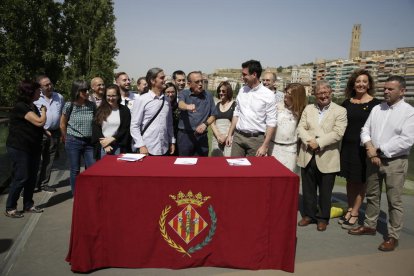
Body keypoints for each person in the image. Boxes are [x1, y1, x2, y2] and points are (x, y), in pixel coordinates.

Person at [349, 76, 414, 252]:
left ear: (402, 91)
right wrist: (370, 148)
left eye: (390, 89)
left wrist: (378, 150)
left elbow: (407, 140)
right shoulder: (377, 108)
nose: (385, 91)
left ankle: (393, 236)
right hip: (373, 160)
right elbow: (365, 130)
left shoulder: (409, 112)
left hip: (395, 162)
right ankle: (370, 225)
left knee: (394, 201)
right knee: (372, 195)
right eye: (385, 88)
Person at [297, 80, 347, 231]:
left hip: (327, 156)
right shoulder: (308, 108)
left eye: (326, 92)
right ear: (315, 94)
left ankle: (323, 218)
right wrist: (309, 141)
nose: (323, 95)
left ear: (330, 93)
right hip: (307, 154)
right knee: (308, 189)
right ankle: (309, 215)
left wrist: (318, 143)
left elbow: (338, 133)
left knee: (325, 191)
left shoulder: (340, 111)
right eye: (320, 93)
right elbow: (301, 127)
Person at [338, 69, 381, 230]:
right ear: (353, 84)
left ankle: (355, 212)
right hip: (347, 147)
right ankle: (350, 208)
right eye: (358, 81)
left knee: (361, 181)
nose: (361, 84)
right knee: (350, 180)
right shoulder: (347, 103)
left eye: (364, 81)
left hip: (363, 148)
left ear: (369, 84)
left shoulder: (376, 104)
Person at [5, 81, 46, 218]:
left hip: (32, 147)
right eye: (38, 90)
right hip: (19, 147)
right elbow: (39, 122)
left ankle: (28, 204)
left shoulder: (31, 105)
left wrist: (46, 132)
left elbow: (34, 126)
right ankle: (10, 207)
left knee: (32, 177)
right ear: (30, 92)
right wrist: (44, 111)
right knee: (21, 177)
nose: (40, 92)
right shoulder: (21, 107)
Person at [226, 60, 277, 157]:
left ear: (254, 74)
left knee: (253, 172)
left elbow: (271, 122)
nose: (242, 77)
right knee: (234, 170)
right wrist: (229, 134)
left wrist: (265, 145)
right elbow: (237, 113)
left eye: (244, 74)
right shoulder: (242, 90)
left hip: (256, 141)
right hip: (238, 138)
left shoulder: (268, 95)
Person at [60, 80, 96, 196]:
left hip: (89, 142)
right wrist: (66, 138)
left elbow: (96, 122)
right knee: (75, 170)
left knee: (92, 168)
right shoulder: (69, 105)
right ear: (77, 91)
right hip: (73, 141)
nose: (86, 92)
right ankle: (76, 194)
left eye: (87, 90)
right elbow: (62, 123)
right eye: (83, 90)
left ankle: (90, 192)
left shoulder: (91, 105)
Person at [131, 68, 175, 156]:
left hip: (164, 148)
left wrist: (172, 141)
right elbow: (134, 125)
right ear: (152, 81)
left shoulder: (166, 100)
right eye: (162, 78)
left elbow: (169, 123)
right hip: (147, 149)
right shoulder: (141, 100)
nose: (165, 80)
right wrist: (141, 145)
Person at [34, 75, 65, 193]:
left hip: (54, 133)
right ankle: (30, 186)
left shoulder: (59, 97)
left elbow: (63, 116)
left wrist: (63, 133)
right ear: (40, 87)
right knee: (36, 160)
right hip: (39, 133)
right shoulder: (36, 98)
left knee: (49, 159)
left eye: (50, 83)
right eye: (46, 85)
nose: (50, 86)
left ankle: (43, 184)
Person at [270, 83, 307, 173]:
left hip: (290, 150)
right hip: (273, 148)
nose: (286, 95)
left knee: (286, 180)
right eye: (286, 92)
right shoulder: (276, 106)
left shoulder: (303, 111)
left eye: (289, 94)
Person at [177, 71, 216, 156]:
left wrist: (205, 124)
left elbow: (213, 115)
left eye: (201, 81)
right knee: (184, 165)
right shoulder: (184, 93)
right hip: (185, 137)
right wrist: (187, 106)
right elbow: (180, 104)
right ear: (189, 84)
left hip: (202, 137)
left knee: (201, 165)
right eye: (197, 82)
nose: (200, 84)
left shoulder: (208, 95)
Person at [92, 84, 131, 159]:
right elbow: (96, 128)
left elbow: (125, 129)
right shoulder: (99, 110)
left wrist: (113, 138)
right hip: (103, 146)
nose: (111, 98)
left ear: (118, 96)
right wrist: (105, 143)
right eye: (108, 96)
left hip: (118, 146)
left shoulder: (124, 110)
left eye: (113, 95)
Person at [210, 81, 236, 157]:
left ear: (228, 92)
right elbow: (212, 122)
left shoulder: (235, 105)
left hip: (229, 138)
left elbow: (235, 122)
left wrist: (227, 135)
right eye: (219, 91)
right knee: (216, 162)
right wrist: (218, 136)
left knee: (228, 162)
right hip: (217, 139)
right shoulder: (216, 105)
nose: (221, 93)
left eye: (223, 91)